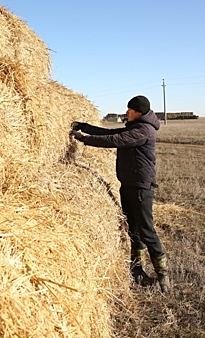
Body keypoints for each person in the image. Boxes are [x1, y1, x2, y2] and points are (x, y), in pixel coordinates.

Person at [70, 95, 170, 293]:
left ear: (138, 112)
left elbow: (115, 139)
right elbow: (111, 131)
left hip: (141, 187)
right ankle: (138, 271)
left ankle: (163, 276)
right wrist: (85, 127)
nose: (126, 112)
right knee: (133, 229)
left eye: (129, 109)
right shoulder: (135, 126)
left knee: (147, 231)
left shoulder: (143, 130)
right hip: (128, 184)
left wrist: (85, 139)